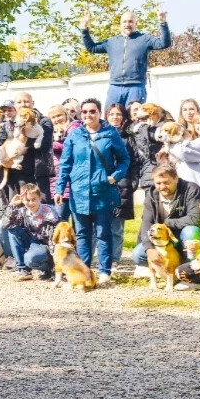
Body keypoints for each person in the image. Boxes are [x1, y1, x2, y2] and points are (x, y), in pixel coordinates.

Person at [54, 98, 130, 285]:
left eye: (92, 111)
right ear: (81, 114)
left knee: (103, 233)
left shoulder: (110, 134)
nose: (88, 115)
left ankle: (105, 271)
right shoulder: (75, 135)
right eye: (85, 112)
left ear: (99, 113)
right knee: (82, 234)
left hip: (102, 190)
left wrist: (115, 176)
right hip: (78, 191)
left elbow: (124, 159)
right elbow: (65, 163)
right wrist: (60, 188)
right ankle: (84, 269)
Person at [80, 9, 172, 109]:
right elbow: (92, 47)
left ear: (136, 24)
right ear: (120, 24)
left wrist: (163, 22)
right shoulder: (111, 42)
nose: (127, 24)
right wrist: (84, 30)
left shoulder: (144, 39)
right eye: (124, 21)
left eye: (130, 21)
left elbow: (164, 43)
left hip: (136, 87)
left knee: (134, 118)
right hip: (115, 87)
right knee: (110, 117)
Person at [131, 163, 200, 268]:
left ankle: (189, 271)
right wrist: (149, 249)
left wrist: (168, 223)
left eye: (166, 182)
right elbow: (147, 223)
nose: (162, 187)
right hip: (162, 239)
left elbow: (196, 218)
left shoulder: (191, 190)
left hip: (182, 236)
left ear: (176, 179)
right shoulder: (151, 195)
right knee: (138, 255)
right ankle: (168, 269)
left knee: (191, 231)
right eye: (158, 183)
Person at [1, 184, 57, 281]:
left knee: (30, 259)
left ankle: (49, 268)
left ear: (40, 198)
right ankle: (23, 270)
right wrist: (12, 205)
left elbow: (55, 238)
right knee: (13, 229)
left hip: (47, 246)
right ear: (22, 200)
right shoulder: (23, 211)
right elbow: (6, 224)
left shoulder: (49, 212)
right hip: (33, 242)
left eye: (34, 199)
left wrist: (57, 264)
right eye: (27, 200)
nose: (31, 203)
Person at [165, 110, 200, 195]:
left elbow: (183, 153)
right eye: (197, 123)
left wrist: (168, 145)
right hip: (185, 192)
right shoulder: (192, 142)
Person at [14, 92, 54, 202]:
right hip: (19, 173)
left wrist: (25, 140)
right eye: (19, 102)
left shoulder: (44, 121)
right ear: (15, 105)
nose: (23, 104)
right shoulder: (10, 123)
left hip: (39, 173)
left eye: (26, 101)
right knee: (22, 208)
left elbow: (45, 145)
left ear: (32, 103)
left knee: (43, 206)